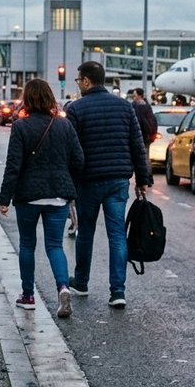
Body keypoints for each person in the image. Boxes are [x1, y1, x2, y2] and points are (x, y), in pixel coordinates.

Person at [64, 62, 153, 309]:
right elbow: (137, 145)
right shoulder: (125, 107)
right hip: (118, 180)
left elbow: (71, 150)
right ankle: (118, 291)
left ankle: (81, 282)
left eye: (79, 80)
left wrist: (70, 180)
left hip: (88, 181)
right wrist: (142, 180)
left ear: (86, 81)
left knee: (86, 232)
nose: (78, 84)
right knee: (117, 235)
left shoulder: (76, 109)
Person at [0, 79, 85, 317]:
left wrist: (4, 198)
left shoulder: (20, 126)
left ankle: (28, 296)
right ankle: (63, 287)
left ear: (27, 98)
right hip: (57, 196)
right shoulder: (64, 125)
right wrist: (64, 177)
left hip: (28, 196)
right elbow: (79, 160)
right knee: (55, 245)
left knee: (27, 245)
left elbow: (13, 166)